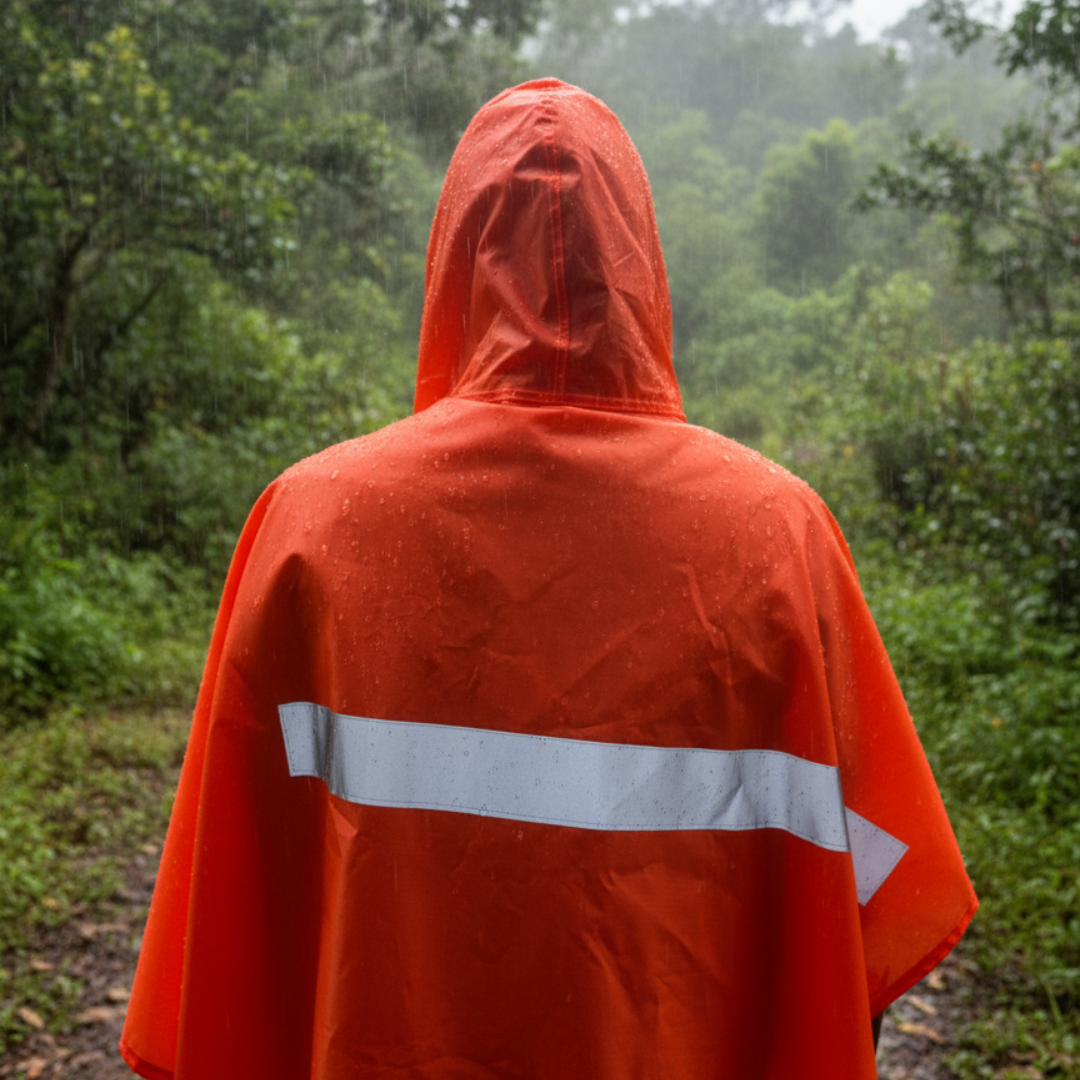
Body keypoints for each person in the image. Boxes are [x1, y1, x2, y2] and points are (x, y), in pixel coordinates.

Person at [120, 79, 976, 1080]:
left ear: (453, 264)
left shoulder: (310, 521)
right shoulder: (780, 532)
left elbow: (230, 917)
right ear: (644, 268)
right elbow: (870, 896)